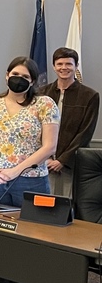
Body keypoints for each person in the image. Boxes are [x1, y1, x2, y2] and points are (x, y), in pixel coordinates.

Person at [0, 56, 59, 283]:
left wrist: (16, 169)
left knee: (30, 242)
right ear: (6, 75)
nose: (18, 79)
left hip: (30, 182)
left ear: (32, 81)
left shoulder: (44, 104)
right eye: (14, 74)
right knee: (0, 240)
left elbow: (50, 146)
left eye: (25, 76)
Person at [42, 47, 99, 197]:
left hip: (71, 163)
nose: (64, 68)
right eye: (60, 64)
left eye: (68, 64)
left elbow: (85, 132)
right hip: (43, 162)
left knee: (66, 206)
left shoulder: (90, 96)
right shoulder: (41, 93)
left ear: (76, 66)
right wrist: (45, 156)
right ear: (54, 66)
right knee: (41, 204)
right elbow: (36, 128)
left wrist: (62, 160)